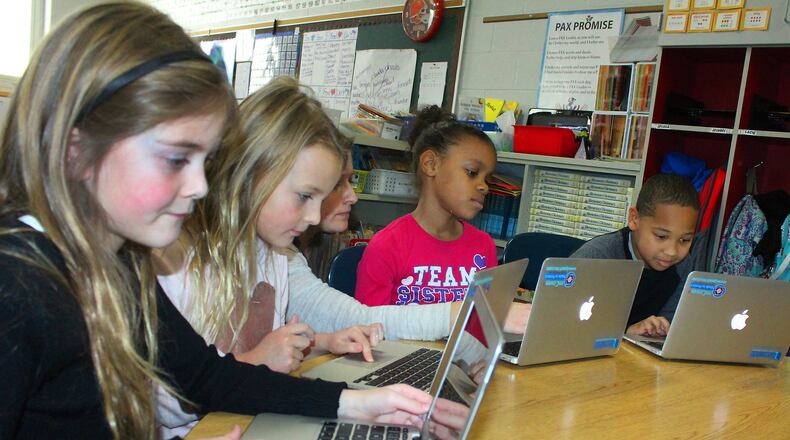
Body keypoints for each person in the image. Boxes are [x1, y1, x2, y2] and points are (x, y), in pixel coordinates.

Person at [0, 3, 452, 439]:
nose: (200, 185)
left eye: (205, 159)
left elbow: (205, 377)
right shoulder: (17, 285)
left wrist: (356, 403)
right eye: (177, 158)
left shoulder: (119, 260)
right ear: (77, 150)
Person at [154, 77, 430, 436]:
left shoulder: (274, 254)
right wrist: (256, 362)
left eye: (322, 197)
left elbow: (270, 363)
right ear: (250, 174)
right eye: (304, 196)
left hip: (254, 417)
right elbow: (165, 402)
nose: (315, 217)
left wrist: (319, 346)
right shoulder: (176, 259)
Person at [287, 148, 531, 339]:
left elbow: (354, 319)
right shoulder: (389, 243)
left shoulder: (288, 259)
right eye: (338, 183)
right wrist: (474, 313)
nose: (353, 196)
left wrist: (321, 343)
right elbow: (366, 320)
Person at [354, 105, 499, 306]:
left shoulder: (484, 247)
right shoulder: (388, 246)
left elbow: (485, 323)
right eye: (472, 172)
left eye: (487, 178)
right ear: (431, 164)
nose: (484, 187)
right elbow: (368, 328)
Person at [571, 173, 706, 337]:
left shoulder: (683, 265)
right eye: (661, 236)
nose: (672, 251)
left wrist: (657, 332)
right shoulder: (595, 257)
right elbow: (561, 324)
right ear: (634, 219)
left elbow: (668, 328)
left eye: (685, 240)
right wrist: (625, 333)